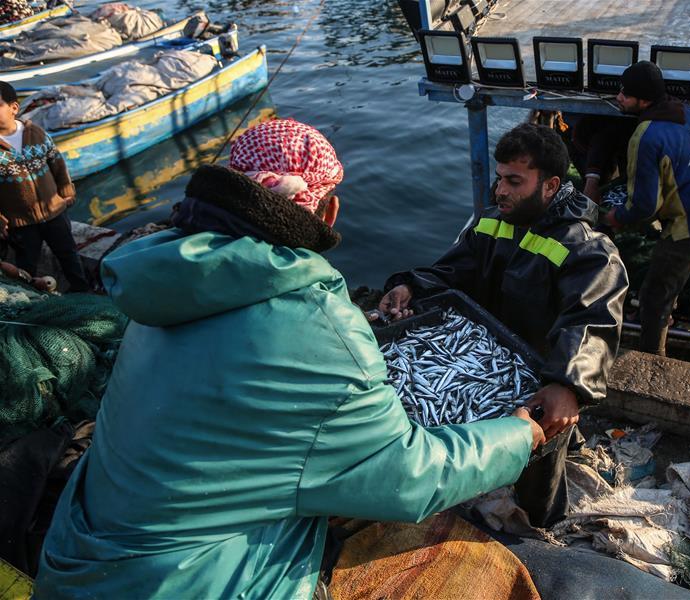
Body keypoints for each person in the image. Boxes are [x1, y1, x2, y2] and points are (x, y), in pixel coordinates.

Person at [34, 119, 545, 600]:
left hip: (78, 557)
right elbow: (406, 477)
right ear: (328, 213)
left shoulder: (165, 278)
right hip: (189, 584)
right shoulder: (317, 324)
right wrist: (515, 436)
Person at [379, 123, 628, 527]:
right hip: (480, 363)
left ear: (550, 186)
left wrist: (567, 385)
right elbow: (451, 272)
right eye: (499, 179)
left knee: (538, 468)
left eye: (514, 181)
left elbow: (593, 321)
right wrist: (409, 286)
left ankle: (538, 524)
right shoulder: (492, 223)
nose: (500, 191)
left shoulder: (588, 250)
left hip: (540, 381)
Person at [601, 61, 690, 356]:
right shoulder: (688, 112)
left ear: (644, 101)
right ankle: (663, 309)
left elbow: (644, 207)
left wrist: (615, 216)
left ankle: (652, 357)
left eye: (626, 94)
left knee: (655, 294)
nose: (618, 97)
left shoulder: (645, 136)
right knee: (669, 276)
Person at [0, 80, 89, 292]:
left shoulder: (37, 134)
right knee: (26, 266)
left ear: (14, 108)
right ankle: (29, 298)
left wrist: (66, 191)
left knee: (68, 254)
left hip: (54, 212)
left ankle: (82, 290)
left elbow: (57, 163)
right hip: (21, 222)